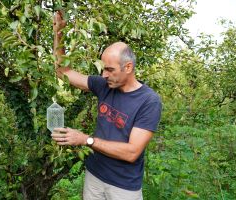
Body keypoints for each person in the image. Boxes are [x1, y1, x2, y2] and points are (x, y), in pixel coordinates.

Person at [51, 11, 162, 200]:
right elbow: (63, 71)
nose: (104, 75)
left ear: (128, 68)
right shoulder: (105, 85)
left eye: (110, 69)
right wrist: (58, 33)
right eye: (103, 69)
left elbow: (132, 152)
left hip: (123, 186)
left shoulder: (149, 101)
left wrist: (85, 139)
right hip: (94, 176)